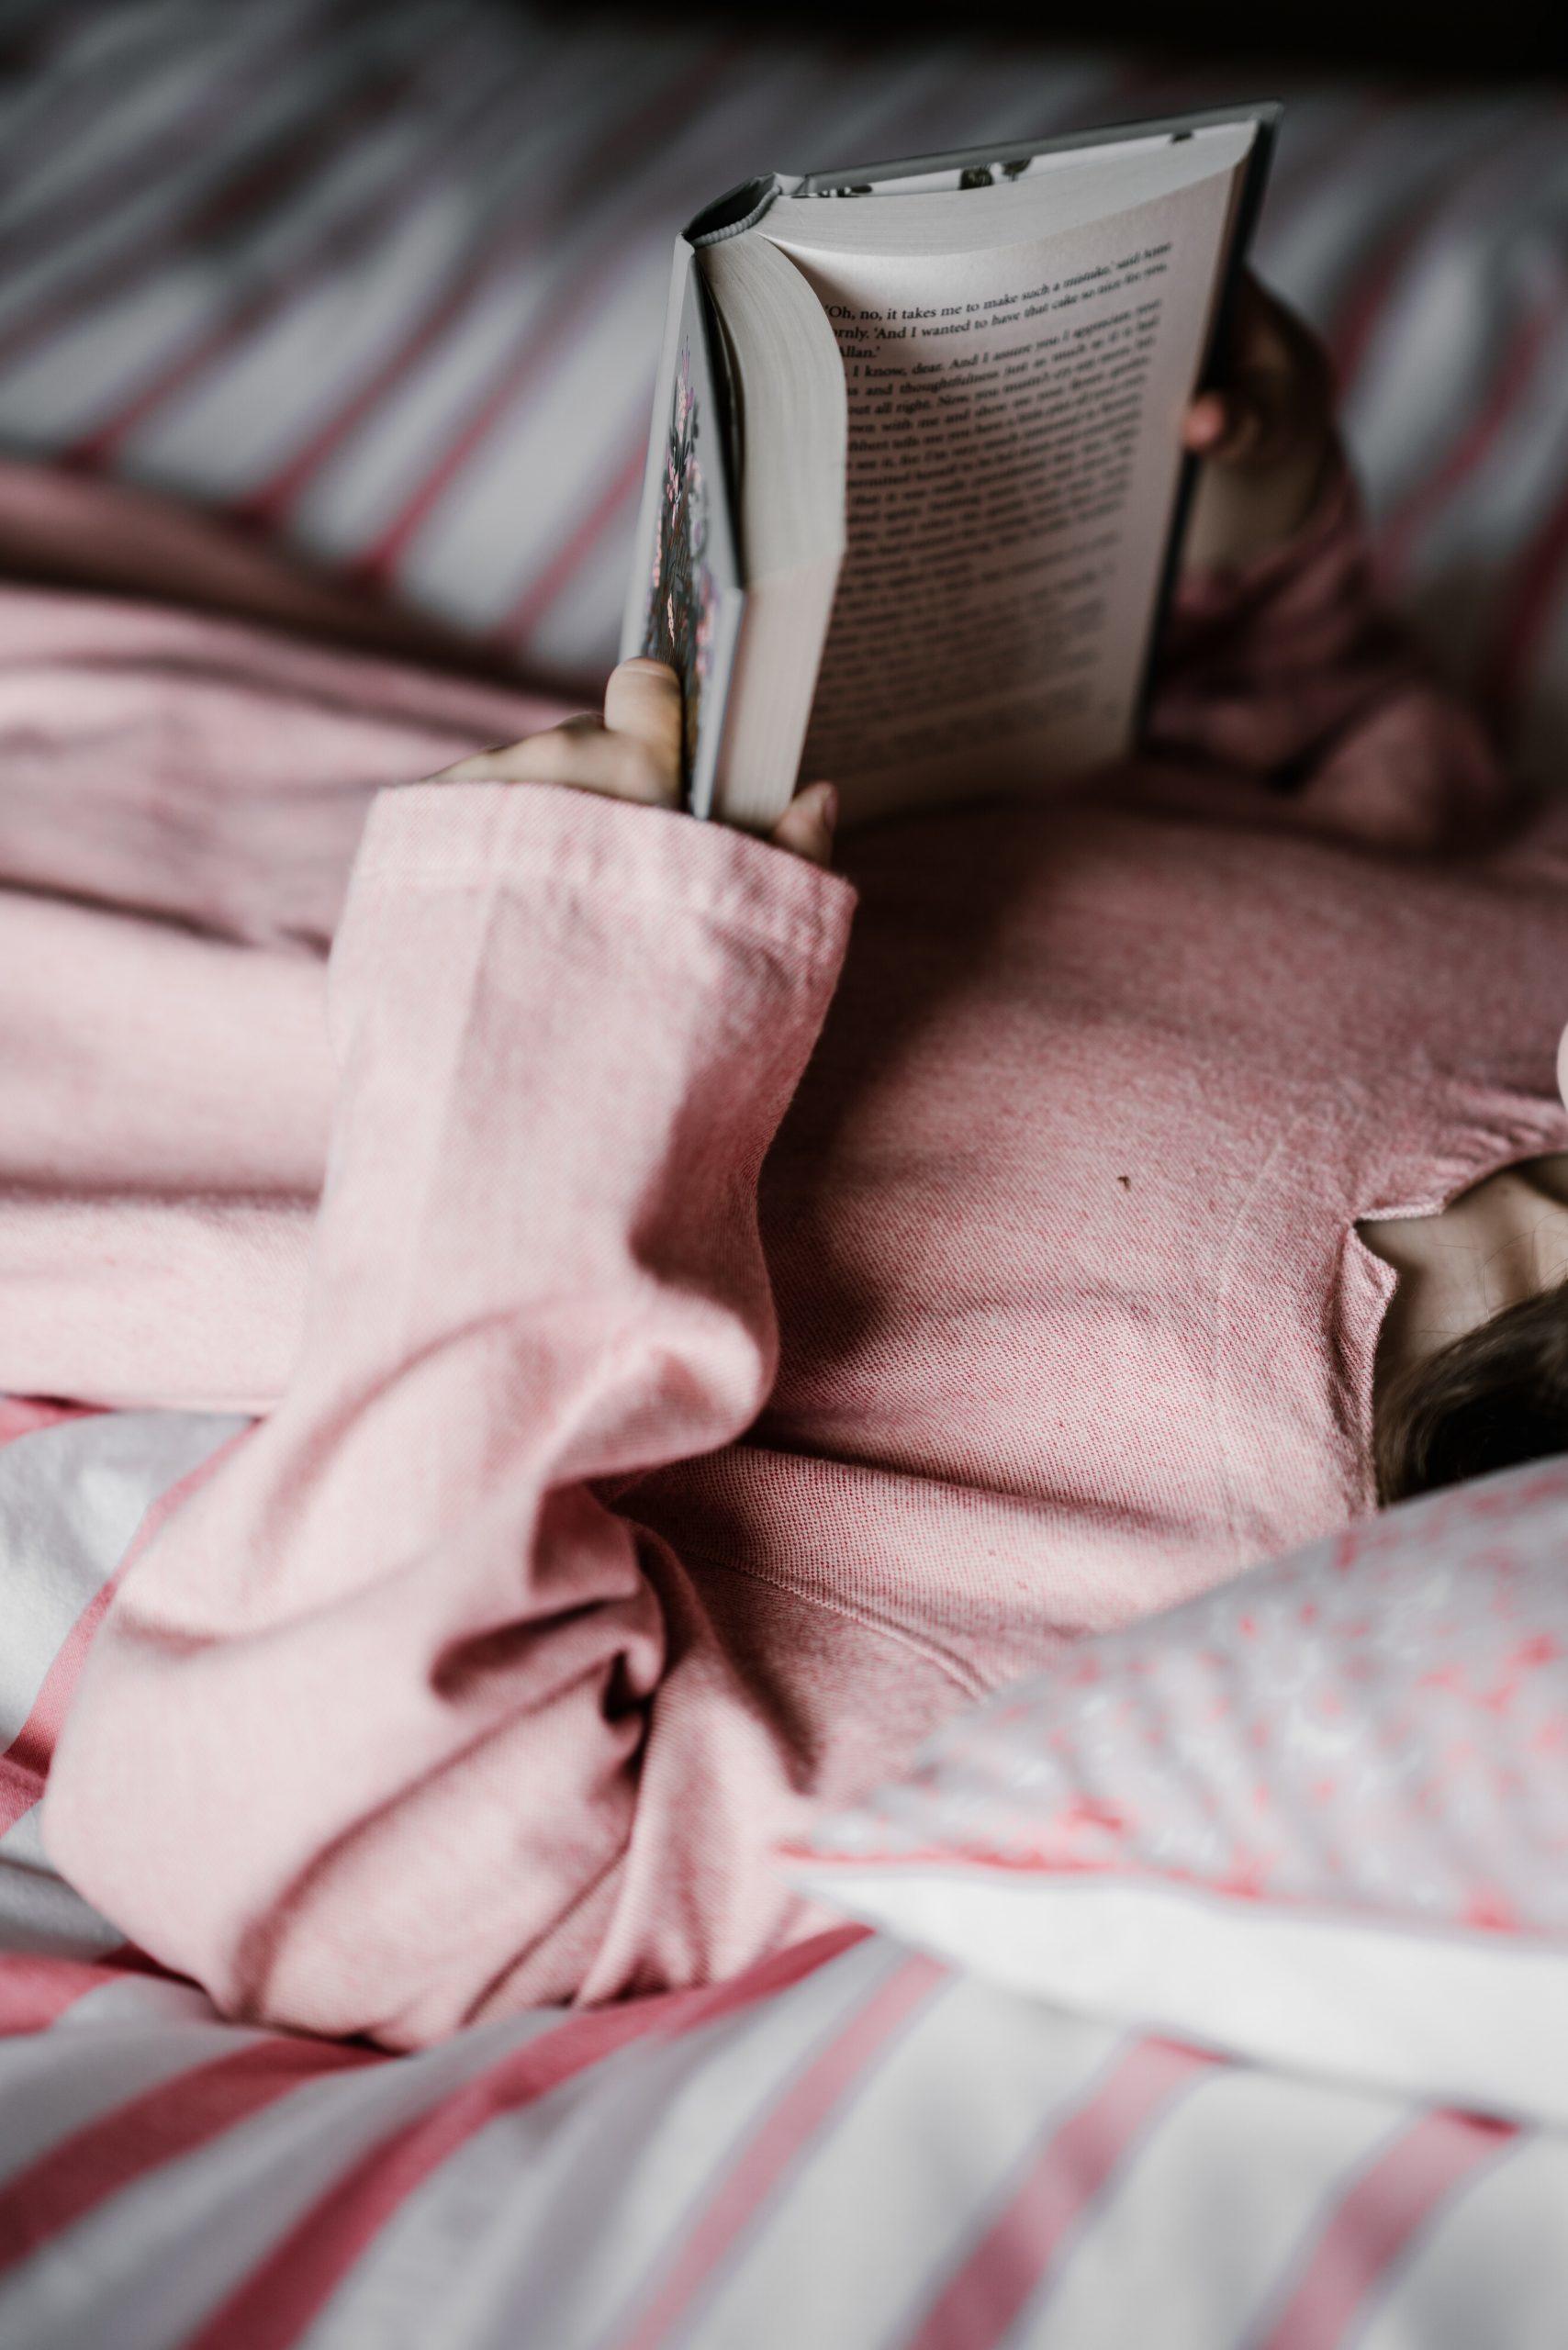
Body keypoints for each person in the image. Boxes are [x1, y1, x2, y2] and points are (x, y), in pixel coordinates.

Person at [32, 279, 1568, 2049]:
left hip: (90, 1044)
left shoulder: (1156, 1609)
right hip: (212, 708)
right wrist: (1234, 547)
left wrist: (553, 1048)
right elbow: (1344, 787)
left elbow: (340, 1856)